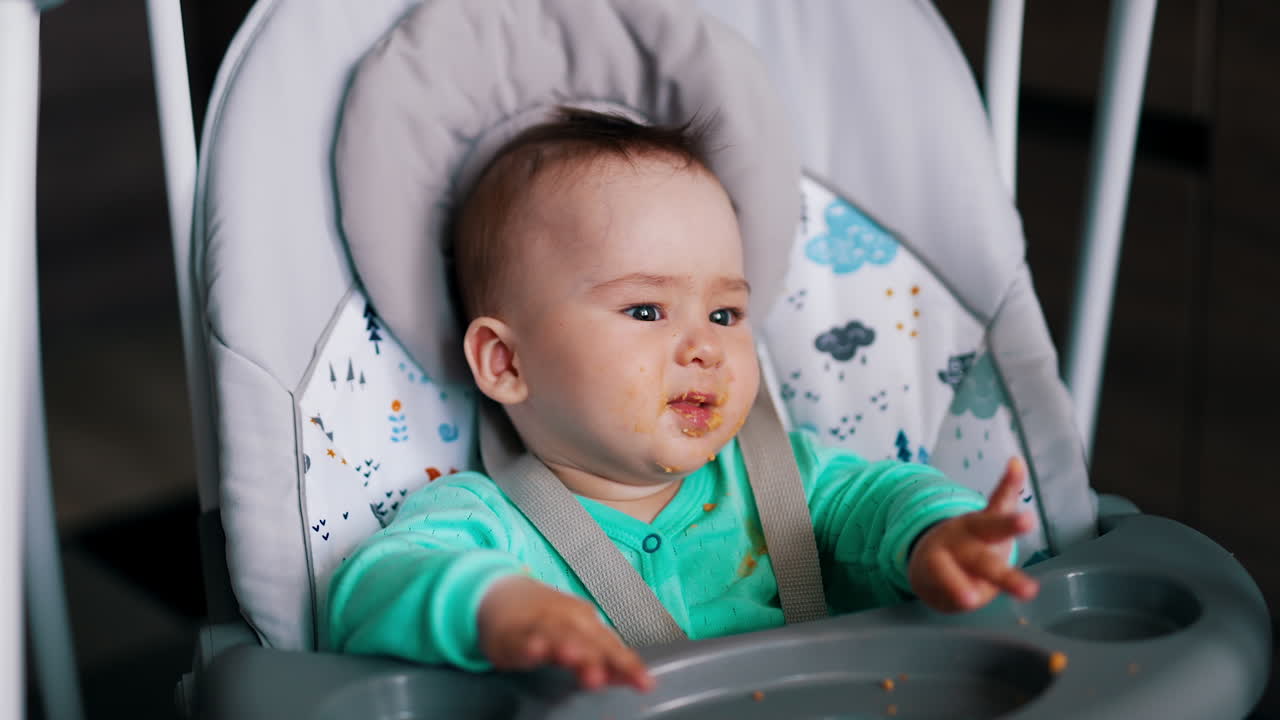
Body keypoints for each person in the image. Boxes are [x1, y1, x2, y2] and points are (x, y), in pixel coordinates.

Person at [325, 108, 1039, 692]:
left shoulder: (784, 481)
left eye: (725, 315)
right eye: (645, 311)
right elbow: (368, 590)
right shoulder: (488, 526)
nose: (705, 348)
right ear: (507, 362)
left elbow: (881, 499)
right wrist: (498, 607)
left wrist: (936, 538)